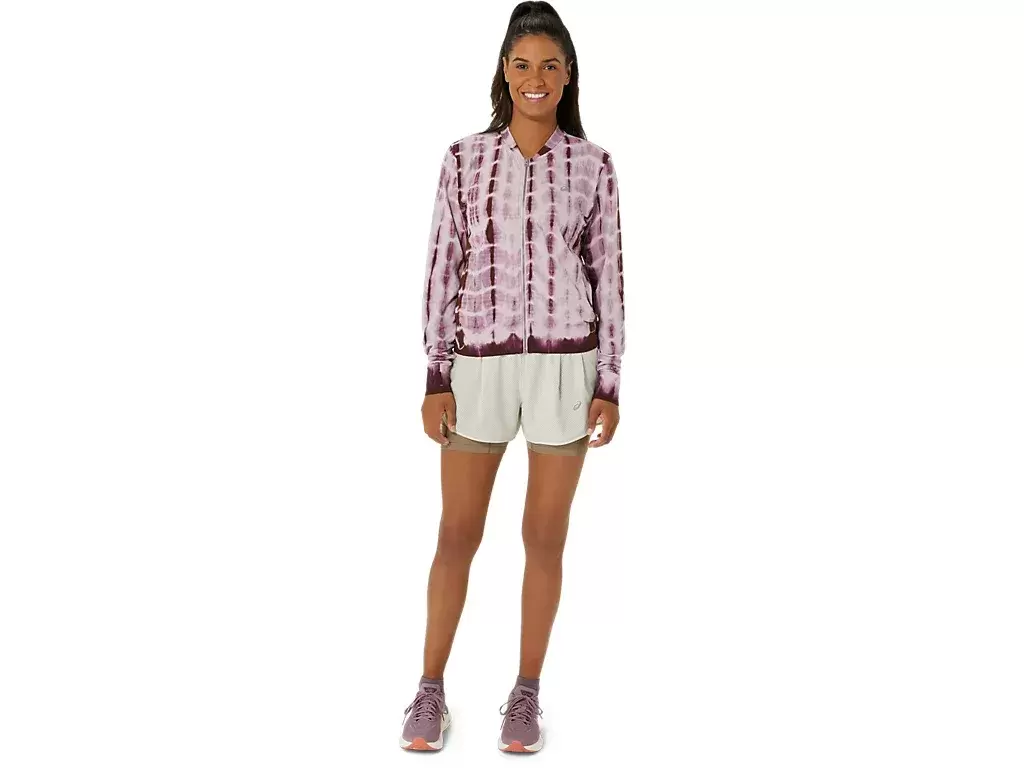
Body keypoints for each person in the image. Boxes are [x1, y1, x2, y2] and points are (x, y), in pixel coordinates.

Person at [400, 1, 625, 753]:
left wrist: (609, 381)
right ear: (504, 71)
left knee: (543, 539)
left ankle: (525, 694)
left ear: (568, 77)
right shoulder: (464, 159)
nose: (536, 78)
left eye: (550, 65)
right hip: (478, 368)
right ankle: (430, 687)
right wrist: (436, 373)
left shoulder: (593, 166)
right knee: (456, 534)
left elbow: (609, 275)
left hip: (566, 368)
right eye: (523, 64)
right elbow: (443, 266)